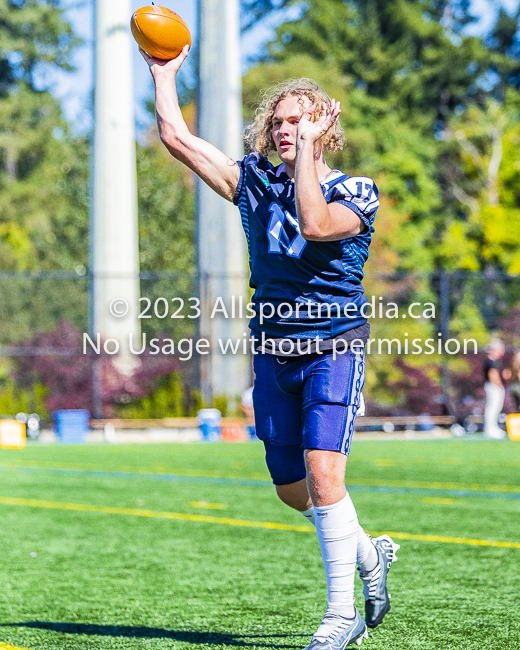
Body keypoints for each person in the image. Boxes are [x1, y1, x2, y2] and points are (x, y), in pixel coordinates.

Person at [141, 44, 399, 649]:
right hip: (273, 348)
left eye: (302, 119)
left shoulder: (357, 191)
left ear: (327, 127)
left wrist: (310, 150)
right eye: (280, 121)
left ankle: (340, 619)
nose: (288, 130)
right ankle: (367, 553)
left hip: (335, 344)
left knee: (322, 470)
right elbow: (177, 138)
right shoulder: (252, 181)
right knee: (292, 488)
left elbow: (313, 222)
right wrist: (164, 74)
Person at [483, 339, 507, 439]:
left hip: (493, 387)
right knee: (493, 408)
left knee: (496, 408)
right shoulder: (491, 361)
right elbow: (492, 374)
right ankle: (490, 429)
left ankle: (493, 427)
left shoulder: (495, 361)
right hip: (493, 387)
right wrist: (499, 386)